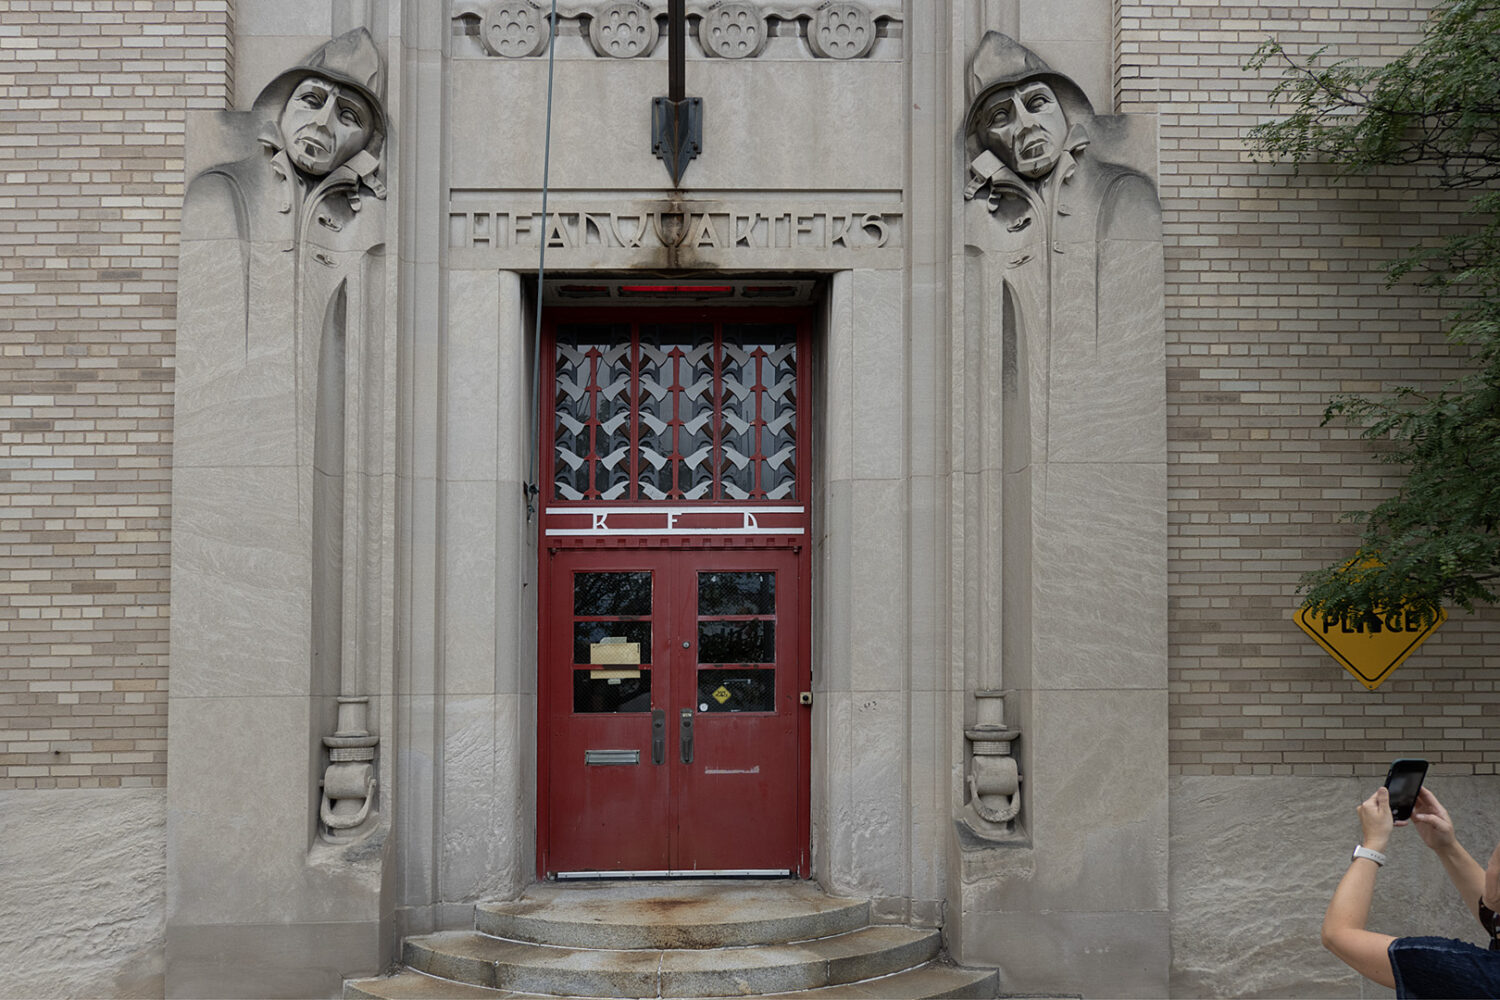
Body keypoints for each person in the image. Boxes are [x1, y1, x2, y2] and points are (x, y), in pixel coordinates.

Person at [1323, 784, 1500, 996]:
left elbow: (1338, 935)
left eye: (1492, 862)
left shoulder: (1466, 972)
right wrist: (1447, 846)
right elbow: (1494, 915)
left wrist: (1373, 845)